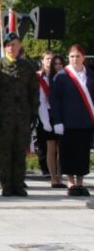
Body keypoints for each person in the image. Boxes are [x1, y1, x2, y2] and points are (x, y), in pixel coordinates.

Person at [0, 32, 38, 196]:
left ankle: (18, 184)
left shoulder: (27, 67)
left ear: (20, 46)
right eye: (8, 45)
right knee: (5, 151)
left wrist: (34, 112)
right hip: (4, 117)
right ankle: (6, 184)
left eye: (14, 44)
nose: (11, 48)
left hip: (22, 116)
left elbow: (33, 92)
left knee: (20, 150)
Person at [50, 44, 94, 196]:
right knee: (68, 153)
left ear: (83, 57)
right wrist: (57, 121)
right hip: (67, 123)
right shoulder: (62, 76)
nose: (75, 59)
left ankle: (80, 183)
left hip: (85, 122)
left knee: (82, 153)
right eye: (72, 56)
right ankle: (70, 182)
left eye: (78, 56)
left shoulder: (90, 74)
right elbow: (54, 100)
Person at [36, 51, 65, 188]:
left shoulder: (58, 77)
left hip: (60, 115)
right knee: (50, 147)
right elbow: (41, 101)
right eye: (47, 59)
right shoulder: (39, 76)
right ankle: (53, 176)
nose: (50, 62)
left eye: (52, 59)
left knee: (61, 147)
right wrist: (45, 121)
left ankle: (60, 176)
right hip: (46, 115)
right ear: (42, 60)